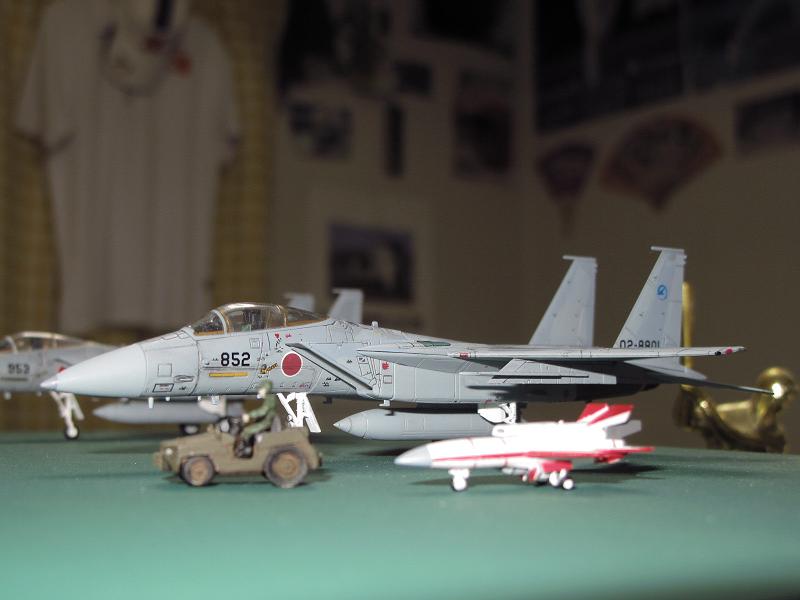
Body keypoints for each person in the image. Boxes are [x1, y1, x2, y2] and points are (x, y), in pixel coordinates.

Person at [234, 380, 278, 457]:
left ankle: (244, 450)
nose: (259, 391)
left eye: (260, 389)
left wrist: (249, 415)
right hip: (265, 420)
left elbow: (263, 411)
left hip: (266, 422)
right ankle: (245, 448)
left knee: (247, 431)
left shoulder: (270, 398)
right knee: (247, 430)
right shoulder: (269, 397)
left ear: (265, 389)